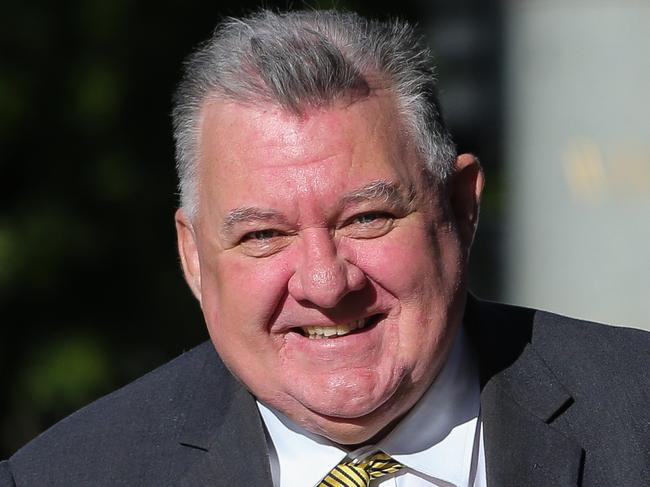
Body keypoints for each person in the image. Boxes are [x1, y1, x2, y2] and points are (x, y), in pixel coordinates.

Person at [1, 9, 648, 487]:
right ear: (194, 256)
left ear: (460, 205)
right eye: (263, 234)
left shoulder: (636, 409)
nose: (325, 282)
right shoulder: (64, 475)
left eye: (367, 217)